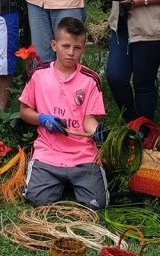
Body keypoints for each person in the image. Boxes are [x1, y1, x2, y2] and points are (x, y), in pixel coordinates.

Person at [19, 17, 107, 210]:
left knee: (97, 205)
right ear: (54, 45)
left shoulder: (91, 79)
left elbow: (88, 119)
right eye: (65, 46)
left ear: (83, 48)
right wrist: (42, 118)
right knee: (37, 201)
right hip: (48, 152)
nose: (71, 53)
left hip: (83, 155)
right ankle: (54, 183)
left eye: (77, 48)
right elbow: (24, 111)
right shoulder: (39, 75)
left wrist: (97, 131)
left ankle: (77, 183)